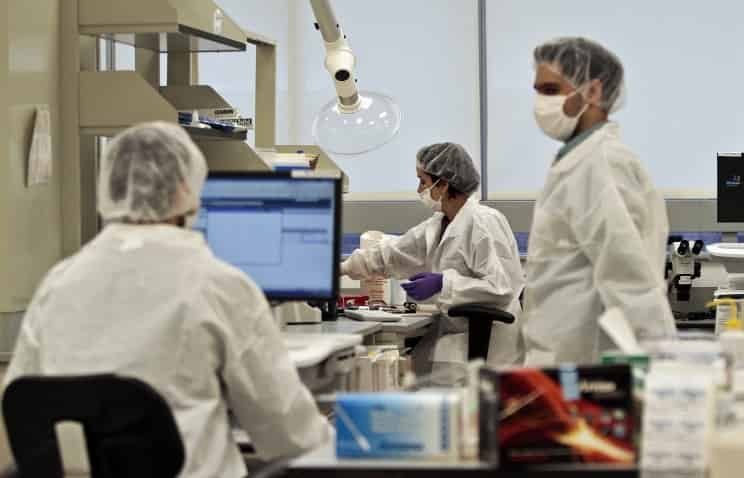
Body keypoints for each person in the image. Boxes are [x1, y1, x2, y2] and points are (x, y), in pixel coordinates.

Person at [3, 122, 332, 477]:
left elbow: (22, 400)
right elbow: (288, 434)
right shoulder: (219, 285)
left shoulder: (58, 282)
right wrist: (341, 441)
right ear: (186, 190)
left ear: (109, 188)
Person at [523, 37, 677, 365]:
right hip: (564, 357)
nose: (540, 103)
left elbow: (630, 278)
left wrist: (663, 367)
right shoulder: (579, 160)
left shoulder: (600, 163)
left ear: (592, 91)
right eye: (537, 91)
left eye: (551, 90)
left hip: (589, 365)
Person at [341, 143, 524, 382]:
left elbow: (501, 287)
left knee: (409, 382)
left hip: (486, 346)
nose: (419, 189)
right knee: (406, 376)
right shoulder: (439, 224)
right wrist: (339, 269)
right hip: (457, 336)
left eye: (423, 181)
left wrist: (443, 284)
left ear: (444, 183)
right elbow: (391, 254)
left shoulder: (484, 222)